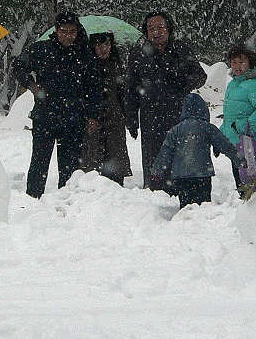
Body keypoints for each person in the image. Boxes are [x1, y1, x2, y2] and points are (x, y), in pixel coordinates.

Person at [13, 12, 103, 198]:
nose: (68, 35)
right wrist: (30, 84)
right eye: (64, 31)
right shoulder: (41, 49)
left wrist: (93, 115)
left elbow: (94, 87)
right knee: (39, 162)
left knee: (69, 166)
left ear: (78, 31)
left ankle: (66, 200)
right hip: (45, 115)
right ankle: (33, 200)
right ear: (56, 30)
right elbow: (18, 66)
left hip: (74, 117)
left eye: (72, 31)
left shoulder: (85, 54)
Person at [125, 12, 207, 191]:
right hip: (150, 116)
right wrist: (131, 118)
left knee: (180, 155)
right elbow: (131, 89)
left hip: (179, 113)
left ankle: (181, 191)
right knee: (153, 158)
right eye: (151, 28)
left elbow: (201, 76)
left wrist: (183, 82)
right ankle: (155, 193)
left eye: (160, 28)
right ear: (146, 32)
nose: (156, 32)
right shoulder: (138, 54)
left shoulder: (181, 49)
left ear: (169, 28)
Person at [152, 93, 240, 209]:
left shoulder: (176, 130)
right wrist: (239, 159)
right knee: (203, 206)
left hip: (181, 176)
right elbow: (225, 145)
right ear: (203, 109)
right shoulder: (207, 127)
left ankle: (185, 222)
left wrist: (157, 171)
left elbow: (165, 152)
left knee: (186, 206)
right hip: (203, 174)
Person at [82, 32, 132, 186]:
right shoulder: (85, 66)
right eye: (98, 45)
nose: (103, 49)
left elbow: (124, 94)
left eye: (106, 45)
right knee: (92, 164)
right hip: (92, 119)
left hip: (115, 119)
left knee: (116, 162)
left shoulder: (117, 65)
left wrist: (127, 116)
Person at [219, 44, 256, 186]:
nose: (237, 66)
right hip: (236, 145)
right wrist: (220, 136)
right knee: (242, 188)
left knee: (252, 190)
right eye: (234, 62)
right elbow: (231, 116)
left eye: (241, 62)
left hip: (253, 145)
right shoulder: (233, 84)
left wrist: (245, 126)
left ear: (250, 63)